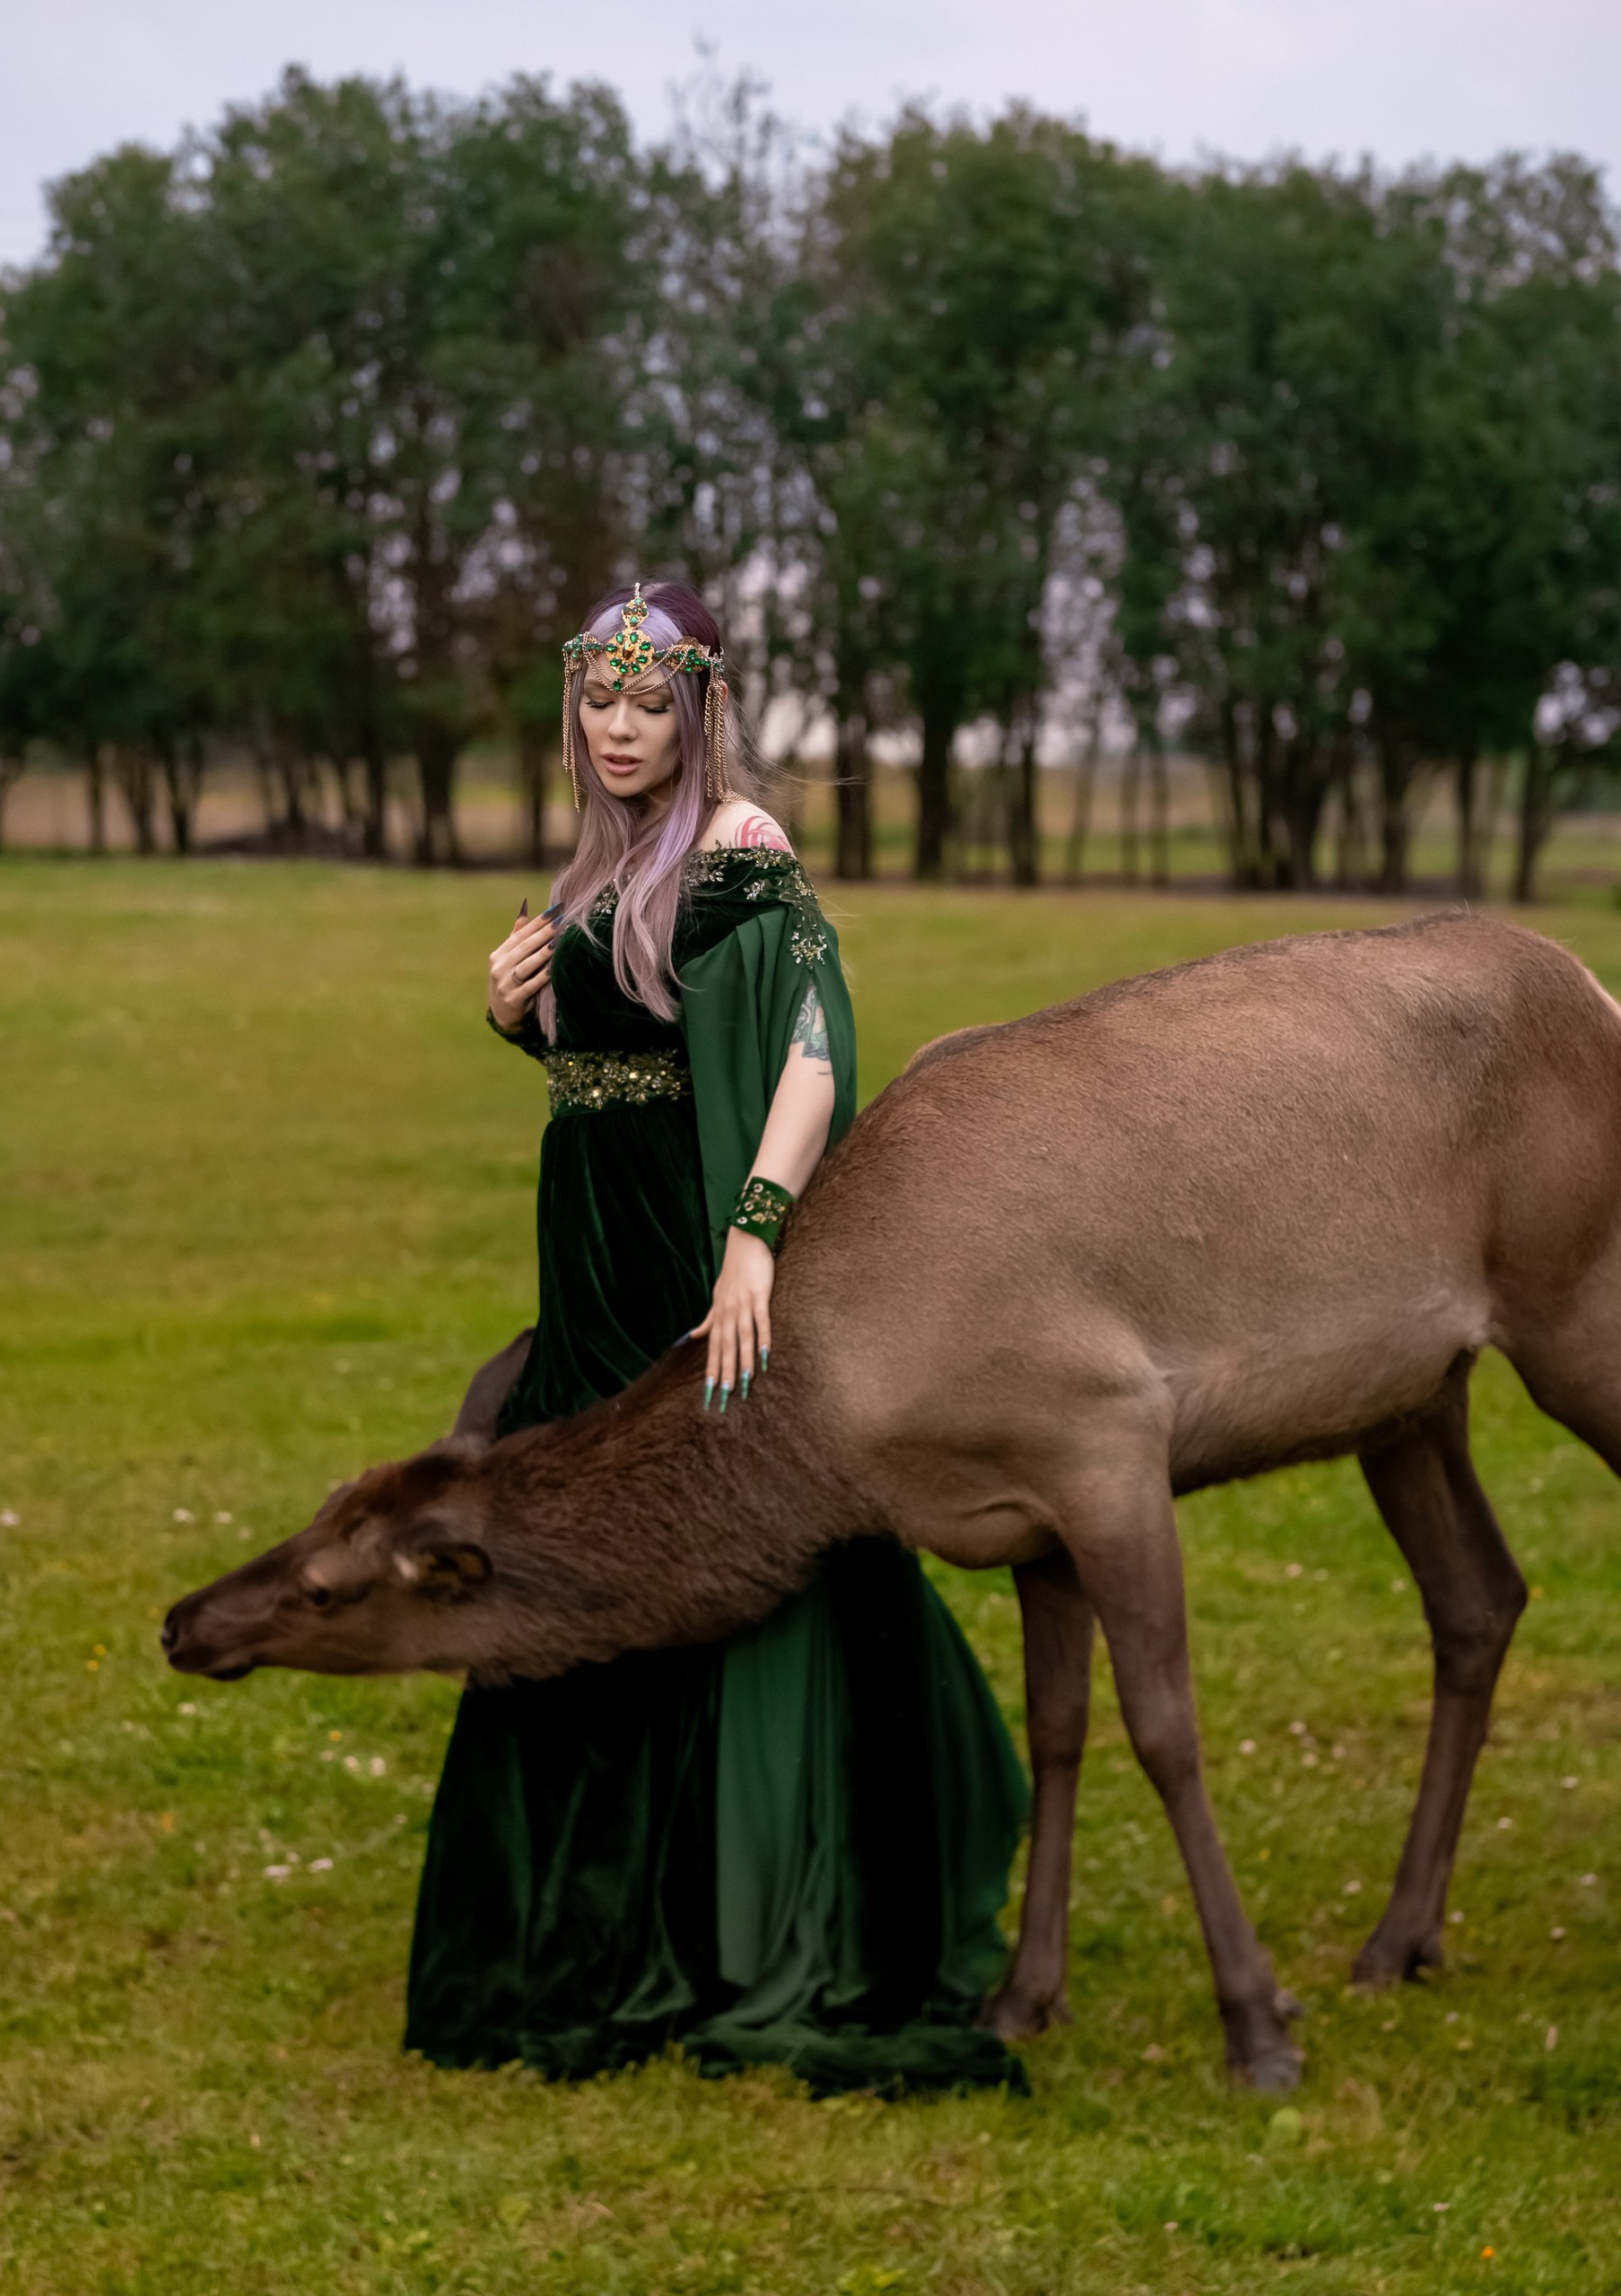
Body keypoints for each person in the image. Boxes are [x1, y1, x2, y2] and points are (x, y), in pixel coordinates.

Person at [405, 580, 1029, 2093]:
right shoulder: (605, 860)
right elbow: (612, 1068)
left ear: (701, 711)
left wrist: (755, 1234)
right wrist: (519, 1018)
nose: (621, 729)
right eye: (599, 705)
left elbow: (811, 1044)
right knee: (571, 1552)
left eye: (650, 705)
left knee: (718, 1551)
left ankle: (750, 1908)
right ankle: (592, 1917)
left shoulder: (740, 847)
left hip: (690, 1268)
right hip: (591, 1278)